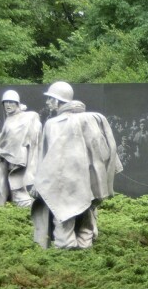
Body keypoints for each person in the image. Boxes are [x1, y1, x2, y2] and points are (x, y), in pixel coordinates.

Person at [31, 82, 123, 249]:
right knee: (85, 213)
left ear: (58, 100)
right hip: (88, 179)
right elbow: (105, 150)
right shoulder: (93, 118)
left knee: (63, 215)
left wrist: (39, 181)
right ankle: (84, 246)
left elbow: (45, 157)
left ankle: (66, 251)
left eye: (50, 99)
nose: (48, 103)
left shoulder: (53, 124)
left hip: (63, 180)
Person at [0, 90, 42, 207]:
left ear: (17, 104)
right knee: (7, 188)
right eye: (5, 102)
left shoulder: (23, 119)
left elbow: (14, 143)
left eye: (11, 102)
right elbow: (5, 136)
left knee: (18, 192)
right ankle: (7, 211)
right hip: (7, 159)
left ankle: (37, 210)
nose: (8, 105)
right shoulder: (10, 118)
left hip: (16, 160)